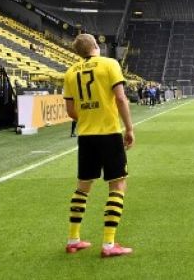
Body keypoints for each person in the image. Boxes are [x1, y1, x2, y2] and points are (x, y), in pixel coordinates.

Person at [62, 33, 134, 258]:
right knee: (118, 185)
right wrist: (129, 129)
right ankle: (109, 244)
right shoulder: (110, 64)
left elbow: (71, 111)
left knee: (82, 187)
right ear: (96, 46)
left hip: (86, 135)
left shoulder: (70, 72)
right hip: (109, 133)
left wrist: (87, 116)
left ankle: (73, 239)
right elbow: (121, 99)